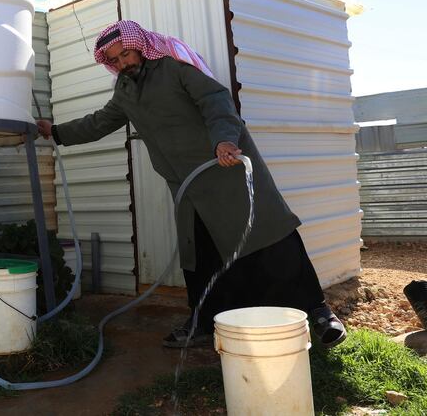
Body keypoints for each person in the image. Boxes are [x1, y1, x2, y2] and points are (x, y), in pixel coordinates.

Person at [37, 20, 346, 349]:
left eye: (125, 53)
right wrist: (54, 132)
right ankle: (204, 322)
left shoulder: (174, 67)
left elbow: (216, 100)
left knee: (270, 239)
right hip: (187, 188)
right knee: (201, 257)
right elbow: (99, 122)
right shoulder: (125, 91)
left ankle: (317, 311)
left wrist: (225, 140)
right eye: (114, 60)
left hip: (226, 172)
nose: (122, 63)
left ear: (140, 45)